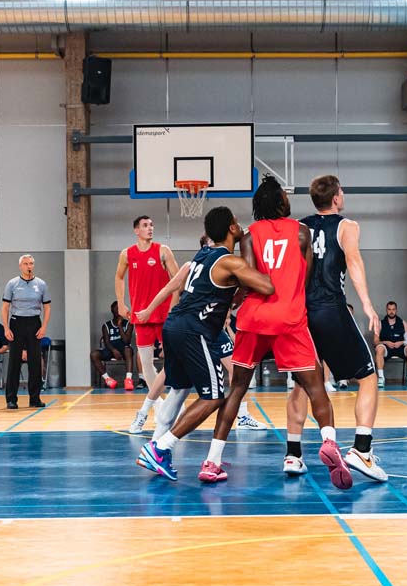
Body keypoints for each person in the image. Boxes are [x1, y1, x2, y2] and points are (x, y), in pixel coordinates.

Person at [143, 176, 353, 489]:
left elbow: (248, 277)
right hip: (289, 317)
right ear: (282, 201)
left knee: (237, 388)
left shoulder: (249, 235)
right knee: (315, 384)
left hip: (252, 319)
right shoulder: (302, 232)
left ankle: (212, 461)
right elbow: (306, 277)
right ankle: (329, 440)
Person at [134, 206, 275, 482]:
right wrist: (249, 246)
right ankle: (159, 448)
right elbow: (267, 286)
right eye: (237, 222)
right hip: (193, 330)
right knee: (214, 396)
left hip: (174, 325)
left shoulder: (202, 255)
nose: (240, 226)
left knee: (180, 389)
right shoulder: (229, 261)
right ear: (231, 228)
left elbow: (221, 290)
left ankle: (157, 443)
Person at [288, 174, 387, 482]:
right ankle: (362, 450)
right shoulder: (347, 226)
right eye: (341, 191)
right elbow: (353, 261)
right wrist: (367, 303)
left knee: (302, 384)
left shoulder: (298, 227)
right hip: (331, 309)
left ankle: (293, 455)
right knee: (368, 377)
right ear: (335, 198)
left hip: (301, 313)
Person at [135, 234, 267, 437]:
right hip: (193, 327)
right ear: (206, 246)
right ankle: (145, 415)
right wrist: (150, 311)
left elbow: (234, 294)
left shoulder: (224, 265)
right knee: (177, 381)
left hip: (209, 328)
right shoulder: (195, 265)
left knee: (234, 370)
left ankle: (242, 415)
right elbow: (172, 289)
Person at [115, 215, 179, 431]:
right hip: (141, 316)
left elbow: (178, 280)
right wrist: (121, 302)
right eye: (145, 225)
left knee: (174, 361)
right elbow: (119, 277)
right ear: (136, 230)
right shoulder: (127, 254)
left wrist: (173, 308)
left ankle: (174, 403)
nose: (150, 228)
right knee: (145, 363)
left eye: (151, 225)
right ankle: (159, 404)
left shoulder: (163, 251)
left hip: (164, 316)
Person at [2, 255, 51, 409]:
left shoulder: (41, 284)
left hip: (34, 323)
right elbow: (5, 307)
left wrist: (44, 327)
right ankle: (11, 399)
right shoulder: (12, 284)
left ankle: (35, 398)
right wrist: (6, 327)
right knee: (14, 362)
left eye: (31, 263)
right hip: (17, 322)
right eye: (25, 264)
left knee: (35, 362)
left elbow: (47, 307)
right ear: (20, 266)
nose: (28, 266)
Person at [374, 301, 407, 388]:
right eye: (389, 309)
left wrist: (401, 342)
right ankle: (381, 378)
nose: (391, 311)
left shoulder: (403, 323)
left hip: (400, 347)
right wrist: (386, 342)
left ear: (396, 310)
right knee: (379, 348)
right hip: (386, 348)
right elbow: (375, 341)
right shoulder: (380, 324)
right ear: (386, 310)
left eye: (393, 309)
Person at [91, 301, 134, 389]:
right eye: (116, 308)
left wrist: (120, 325)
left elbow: (126, 341)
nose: (118, 310)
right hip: (111, 350)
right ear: (112, 310)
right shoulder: (106, 326)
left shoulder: (129, 323)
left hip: (124, 350)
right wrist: (113, 350)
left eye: (120, 309)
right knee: (94, 354)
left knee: (128, 349)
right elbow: (106, 342)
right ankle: (108, 379)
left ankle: (128, 379)